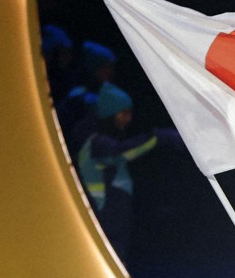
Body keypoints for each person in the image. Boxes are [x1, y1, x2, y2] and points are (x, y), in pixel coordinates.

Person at [75, 82, 177, 260]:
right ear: (110, 115)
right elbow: (122, 152)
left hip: (110, 227)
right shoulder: (98, 144)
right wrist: (158, 138)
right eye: (124, 113)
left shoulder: (102, 141)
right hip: (99, 225)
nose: (128, 119)